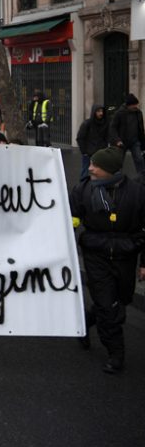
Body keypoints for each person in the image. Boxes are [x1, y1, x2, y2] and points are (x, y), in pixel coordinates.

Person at [70, 146, 145, 373]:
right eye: (91, 163)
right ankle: (116, 353)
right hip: (95, 254)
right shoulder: (83, 190)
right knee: (108, 306)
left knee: (121, 299)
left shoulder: (137, 193)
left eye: (96, 165)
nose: (90, 168)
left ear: (111, 170)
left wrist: (144, 263)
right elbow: (70, 220)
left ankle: (85, 323)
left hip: (126, 254)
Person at [108, 94, 145, 175]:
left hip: (135, 141)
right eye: (134, 105)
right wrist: (117, 140)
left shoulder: (138, 113)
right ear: (128, 105)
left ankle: (142, 178)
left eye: (136, 104)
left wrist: (143, 142)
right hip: (122, 142)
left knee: (139, 159)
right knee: (119, 162)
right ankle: (117, 179)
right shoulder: (119, 113)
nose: (136, 106)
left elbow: (141, 128)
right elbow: (112, 128)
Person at [77, 105, 110, 180]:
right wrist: (84, 152)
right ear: (94, 112)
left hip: (100, 151)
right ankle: (83, 186)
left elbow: (107, 137)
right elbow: (80, 138)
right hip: (88, 152)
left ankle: (99, 187)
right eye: (98, 111)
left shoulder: (105, 123)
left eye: (101, 111)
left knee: (100, 171)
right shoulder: (87, 123)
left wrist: (105, 148)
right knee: (85, 170)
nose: (101, 113)